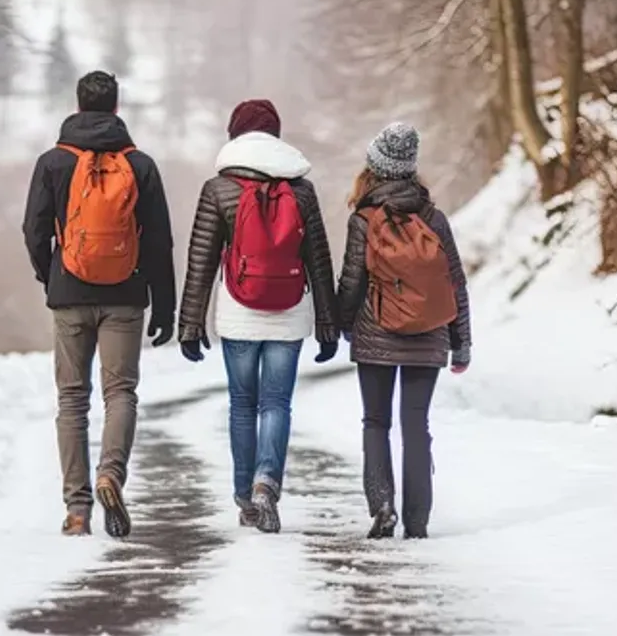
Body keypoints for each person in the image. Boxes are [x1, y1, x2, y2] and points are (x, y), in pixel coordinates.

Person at [22, 70, 176, 538]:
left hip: (69, 294)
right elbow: (159, 243)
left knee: (72, 399)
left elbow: (34, 230)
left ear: (77, 104)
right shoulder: (141, 165)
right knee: (120, 393)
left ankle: (77, 508)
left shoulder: (53, 162)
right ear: (115, 108)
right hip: (126, 295)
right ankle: (112, 474)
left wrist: (50, 273)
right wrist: (164, 307)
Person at [177, 99, 339, 534]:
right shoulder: (301, 189)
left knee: (242, 406)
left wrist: (189, 323)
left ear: (235, 134)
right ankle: (268, 482)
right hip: (289, 312)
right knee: (276, 404)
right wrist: (328, 321)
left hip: (238, 311)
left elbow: (201, 261)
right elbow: (318, 259)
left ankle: (245, 498)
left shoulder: (219, 188)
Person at [336, 122, 471, 541]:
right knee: (417, 424)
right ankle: (418, 521)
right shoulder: (436, 218)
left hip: (375, 336)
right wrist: (461, 342)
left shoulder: (363, 218)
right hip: (428, 336)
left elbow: (352, 283)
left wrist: (341, 326)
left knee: (375, 422)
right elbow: (455, 282)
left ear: (374, 168)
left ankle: (383, 507)